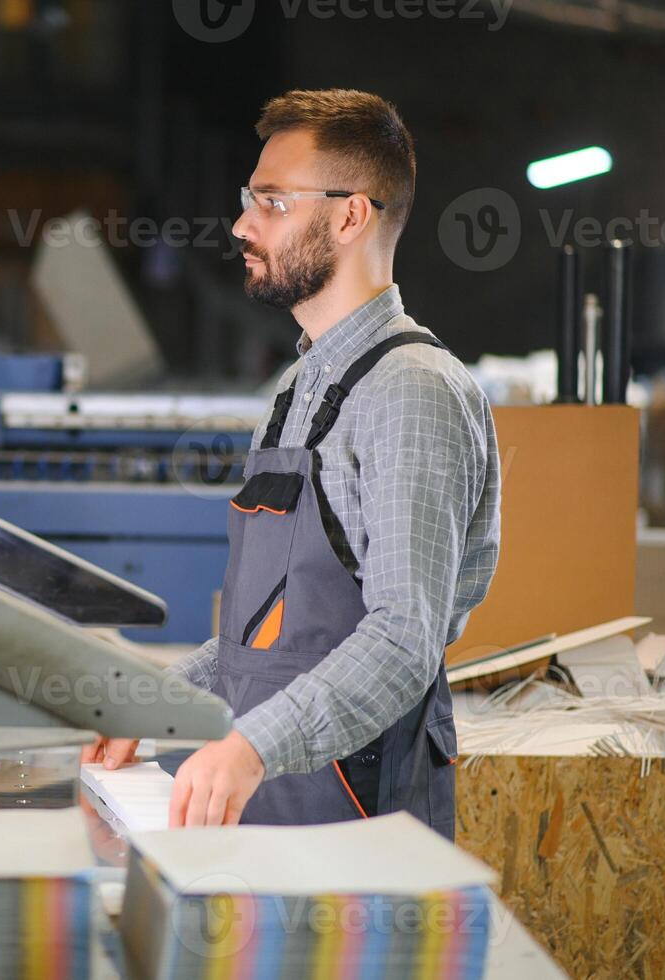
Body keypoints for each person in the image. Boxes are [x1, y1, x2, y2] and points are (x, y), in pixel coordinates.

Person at [82, 89, 500, 839]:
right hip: (268, 809)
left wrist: (250, 749)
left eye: (271, 202)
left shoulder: (410, 393)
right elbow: (263, 642)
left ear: (349, 215)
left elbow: (404, 640)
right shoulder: (296, 386)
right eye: (250, 199)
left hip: (353, 821)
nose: (242, 224)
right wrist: (160, 702)